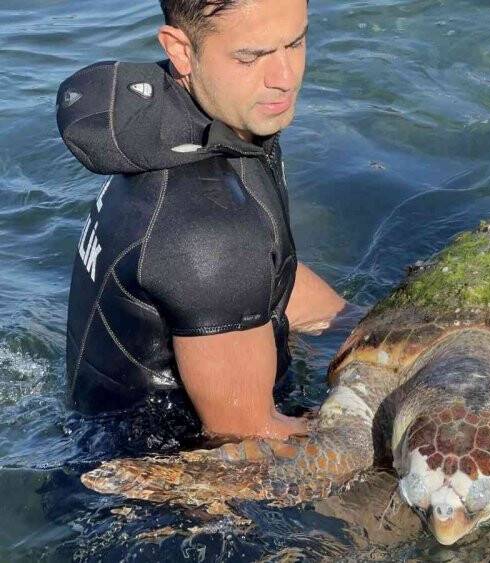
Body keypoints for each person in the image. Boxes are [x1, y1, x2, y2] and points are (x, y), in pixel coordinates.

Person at [58, 0, 361, 452]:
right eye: (251, 57)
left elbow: (265, 273)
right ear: (181, 50)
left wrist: (368, 331)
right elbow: (251, 445)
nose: (285, 77)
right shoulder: (207, 223)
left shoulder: (191, 128)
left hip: (111, 414)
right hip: (173, 473)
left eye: (296, 42)